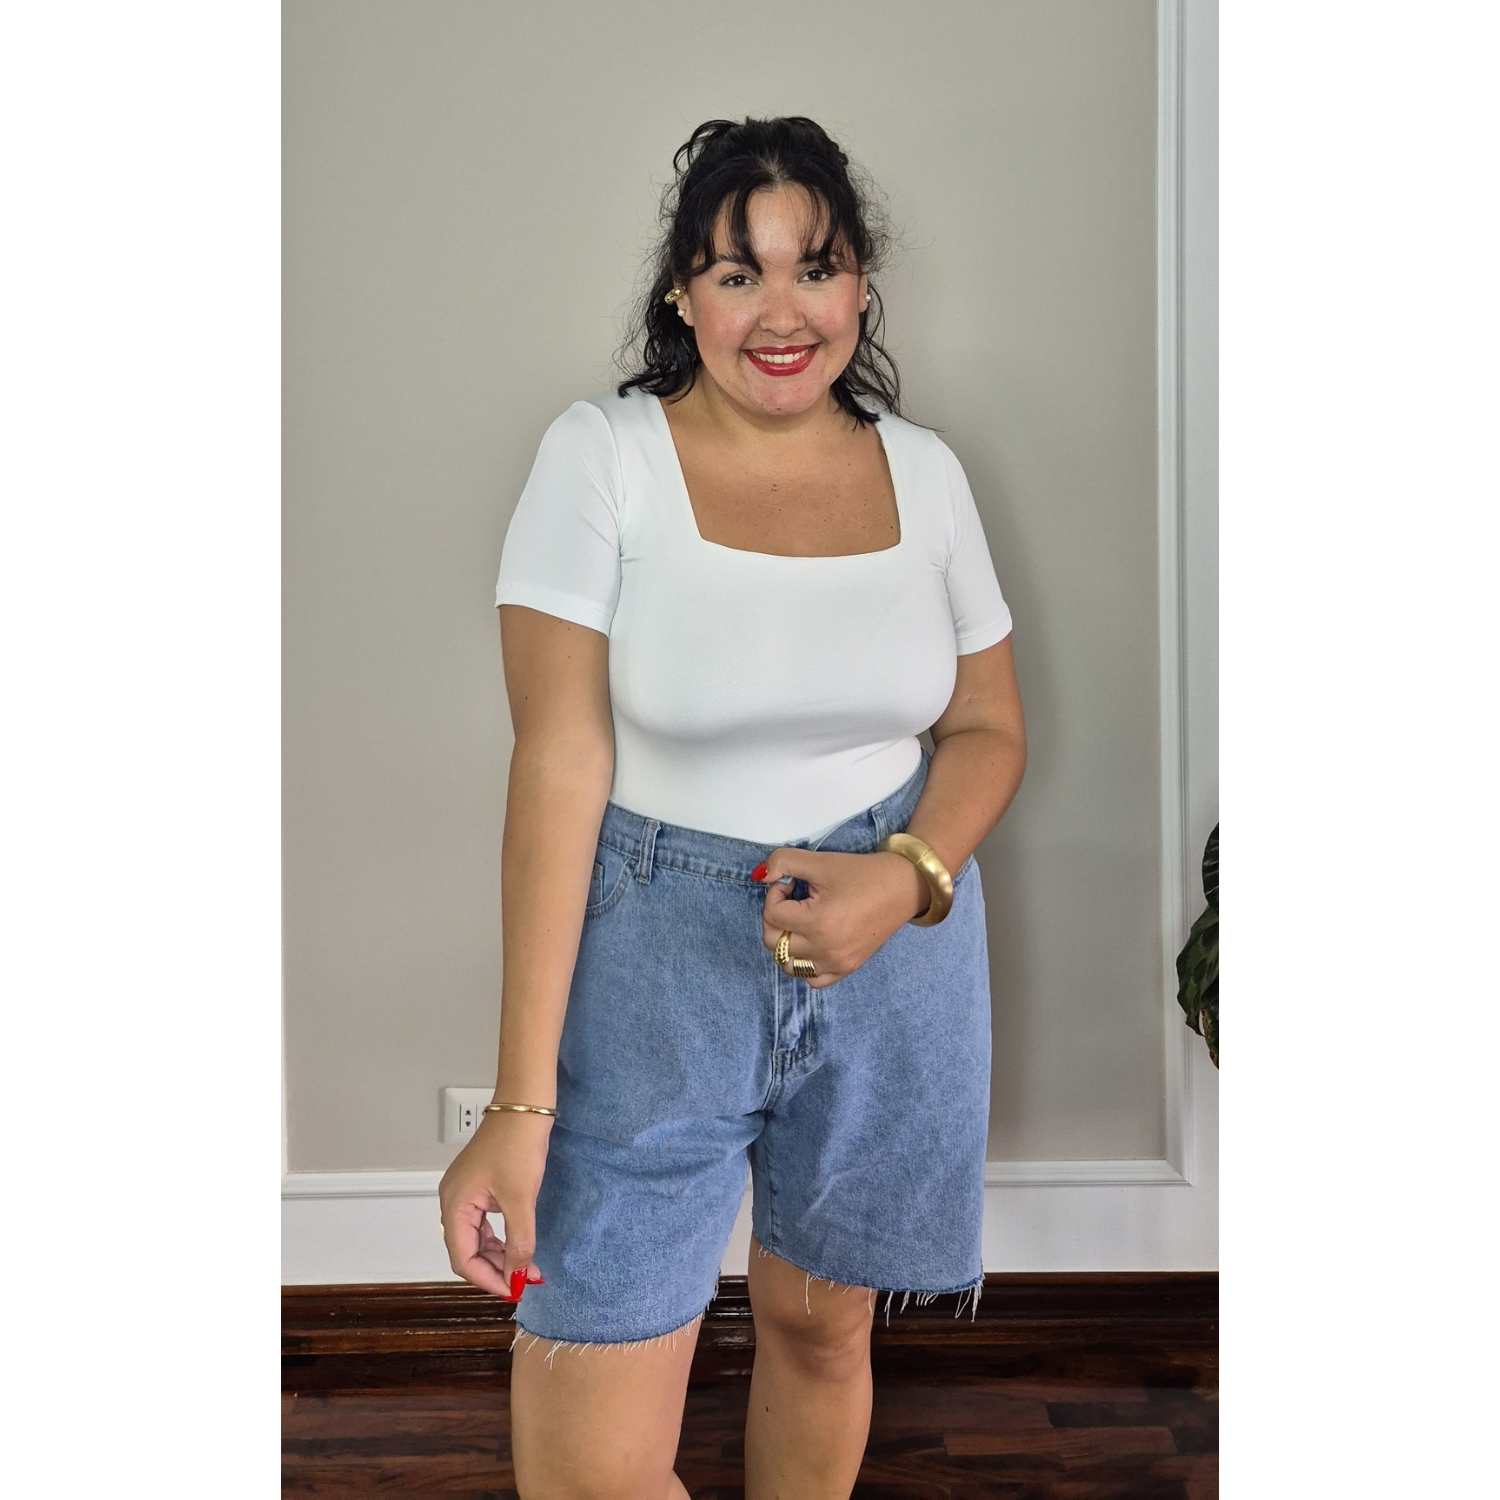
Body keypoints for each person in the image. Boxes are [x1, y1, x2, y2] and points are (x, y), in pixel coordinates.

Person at [439, 115, 1027, 1500]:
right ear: (681, 293)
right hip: (658, 956)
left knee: (823, 1332)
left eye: (814, 269)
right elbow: (557, 767)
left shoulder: (927, 474)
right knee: (590, 1468)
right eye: (736, 271)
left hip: (896, 953)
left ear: (861, 285)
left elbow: (989, 728)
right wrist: (519, 1102)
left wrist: (909, 874)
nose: (781, 312)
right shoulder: (602, 457)